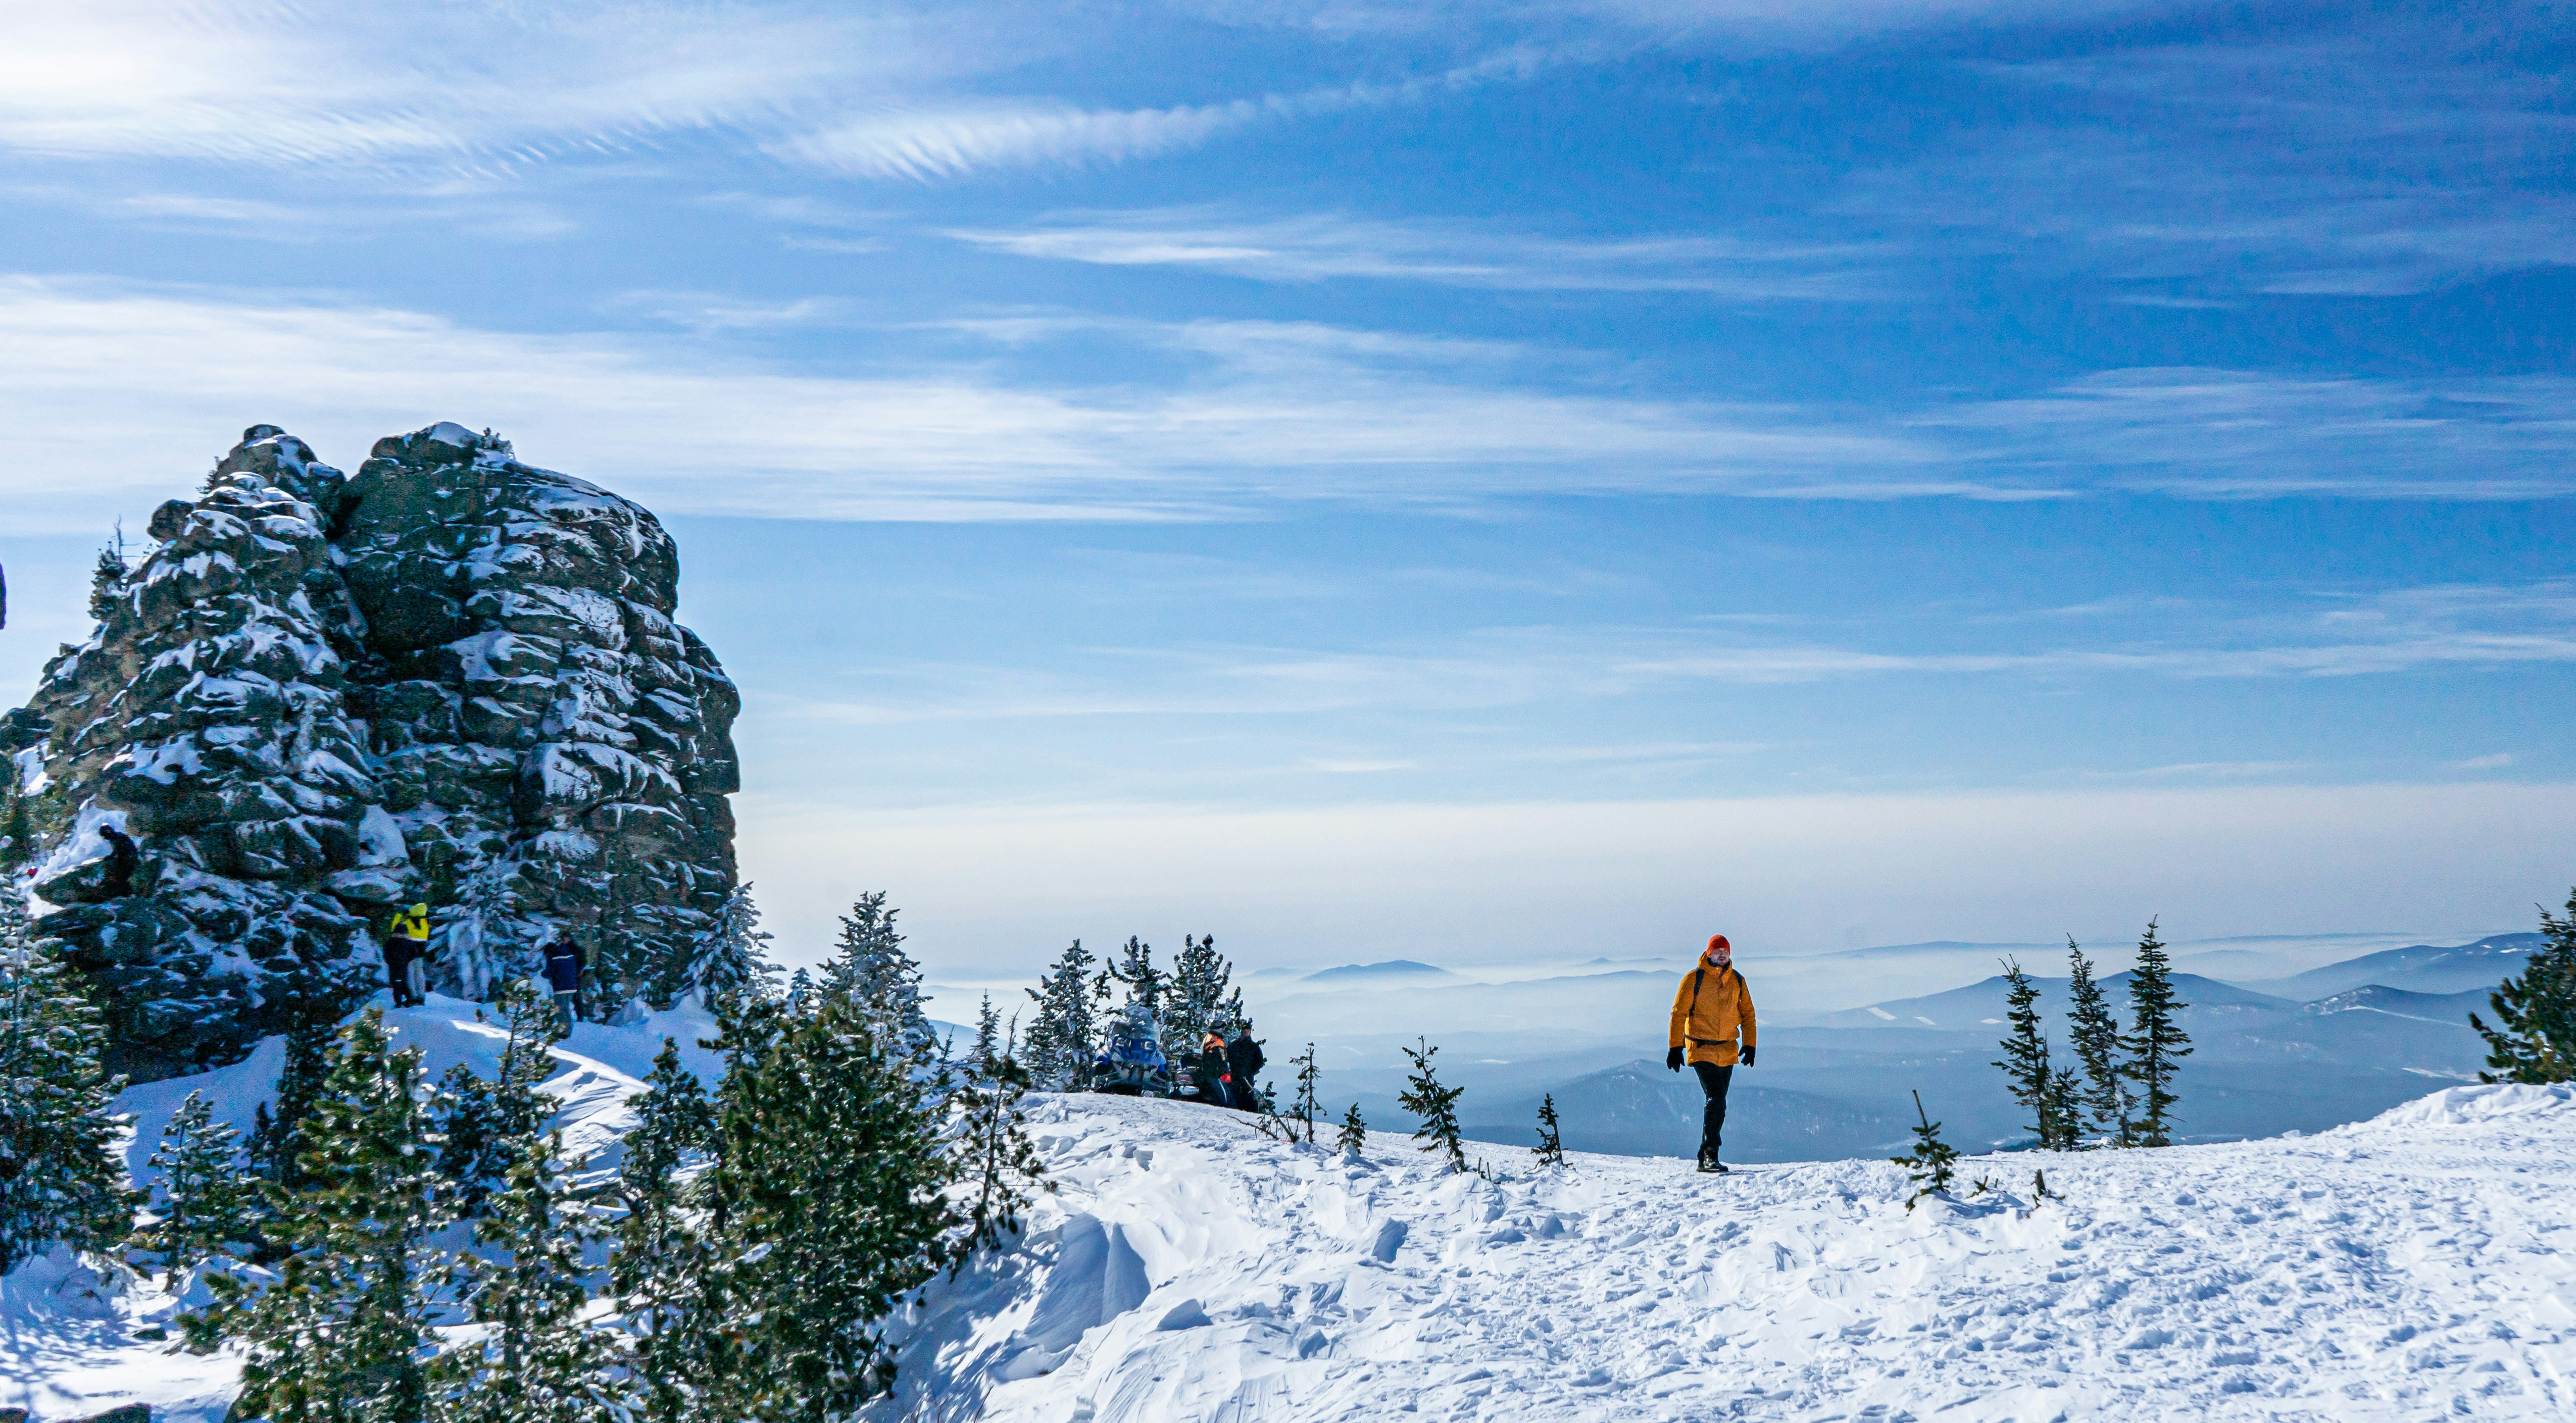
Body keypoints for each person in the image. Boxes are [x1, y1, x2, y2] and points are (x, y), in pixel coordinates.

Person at [1666, 933, 1757, 1174]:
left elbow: (1748, 1014)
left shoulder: (1737, 981)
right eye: (1717, 951)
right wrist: (1675, 1047)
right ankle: (1709, 1156)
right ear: (1709, 953)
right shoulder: (1693, 980)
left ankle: (1704, 1156)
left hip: (1727, 1051)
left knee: (1719, 1104)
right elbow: (1678, 1014)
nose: (1722, 955)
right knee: (1716, 1098)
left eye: (1725, 951)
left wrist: (1750, 1045)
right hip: (1700, 1049)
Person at [384, 901, 432, 1007]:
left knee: (410, 975)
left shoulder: (409, 923)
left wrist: (399, 914)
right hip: (420, 954)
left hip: (409, 955)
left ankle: (413, 997)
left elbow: (395, 928)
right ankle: (421, 996)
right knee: (420, 975)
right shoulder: (425, 924)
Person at [542, 931, 587, 1027]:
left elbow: (550, 970)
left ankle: (565, 1031)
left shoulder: (563, 952)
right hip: (571, 979)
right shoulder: (569, 950)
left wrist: (577, 971)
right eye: (563, 938)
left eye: (566, 938)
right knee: (567, 1005)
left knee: (563, 1008)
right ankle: (570, 1026)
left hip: (567, 981)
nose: (564, 940)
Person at [1224, 1022, 1266, 1111]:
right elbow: (1227, 1057)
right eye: (1244, 1031)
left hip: (1247, 1076)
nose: (1245, 1033)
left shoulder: (1254, 1047)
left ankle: (1248, 1113)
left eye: (1247, 1031)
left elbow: (1260, 1061)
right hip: (1235, 1075)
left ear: (1250, 1032)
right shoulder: (1233, 1045)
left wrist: (1252, 1070)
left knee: (1248, 1096)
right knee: (1234, 1095)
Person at [1191, 1030, 1234, 1107]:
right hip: (1212, 1073)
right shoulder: (1215, 1044)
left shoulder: (1214, 1044)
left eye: (1212, 1035)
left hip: (1212, 1072)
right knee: (1220, 1091)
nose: (1211, 1037)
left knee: (1219, 1091)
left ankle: (1223, 1105)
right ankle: (1224, 1106)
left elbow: (1221, 1058)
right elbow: (1220, 1058)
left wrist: (1223, 1068)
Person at [97, 825, 139, 898]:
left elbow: (120, 853)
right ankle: (128, 894)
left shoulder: (115, 839)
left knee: (120, 878)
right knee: (121, 878)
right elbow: (118, 852)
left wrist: (113, 859)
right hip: (131, 859)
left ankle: (127, 895)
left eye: (104, 836)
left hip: (128, 861)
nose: (105, 839)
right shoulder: (119, 835)